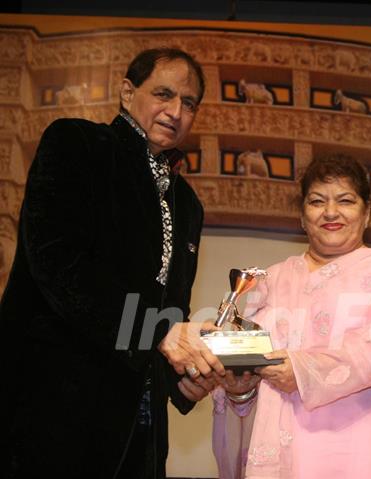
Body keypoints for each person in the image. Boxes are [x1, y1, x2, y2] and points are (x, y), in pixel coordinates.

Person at [1, 48, 224, 478]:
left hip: (139, 426)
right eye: (163, 94)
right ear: (127, 93)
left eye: (189, 103)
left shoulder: (187, 204)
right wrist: (160, 331)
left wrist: (184, 381)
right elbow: (59, 268)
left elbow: (170, 308)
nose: (176, 111)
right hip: (52, 409)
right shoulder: (77, 145)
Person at [212, 154, 371, 478]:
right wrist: (239, 387)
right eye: (317, 201)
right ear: (302, 216)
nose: (331, 212)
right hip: (287, 453)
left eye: (345, 200)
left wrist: (304, 372)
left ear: (367, 212)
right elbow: (249, 368)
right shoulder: (271, 280)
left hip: (370, 450)